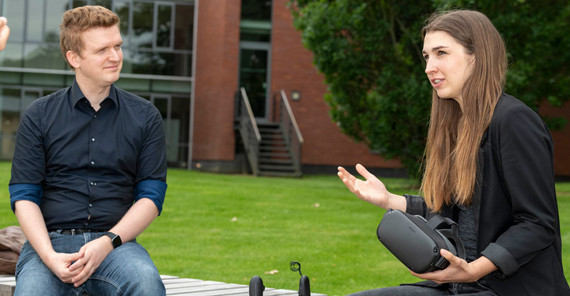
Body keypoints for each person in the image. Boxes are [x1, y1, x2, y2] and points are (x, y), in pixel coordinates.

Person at [338, 10, 570, 296]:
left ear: (477, 56)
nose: (429, 67)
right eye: (426, 56)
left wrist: (474, 269)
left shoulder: (513, 121)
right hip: (459, 286)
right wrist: (388, 200)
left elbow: (537, 224)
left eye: (441, 53)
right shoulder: (456, 127)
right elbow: (453, 209)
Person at [9, 5, 167, 296]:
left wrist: (107, 242)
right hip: (49, 247)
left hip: (116, 248)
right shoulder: (39, 115)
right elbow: (24, 196)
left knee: (146, 285)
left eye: (117, 46)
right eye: (102, 50)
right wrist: (49, 256)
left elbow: (152, 197)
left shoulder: (145, 117)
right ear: (74, 58)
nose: (115, 57)